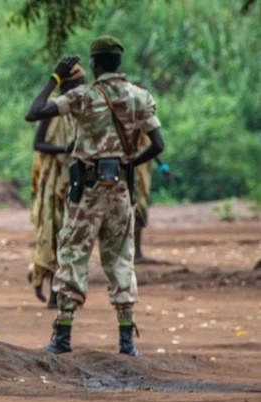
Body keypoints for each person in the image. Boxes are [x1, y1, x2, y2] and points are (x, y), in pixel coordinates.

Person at [25, 35, 164, 357]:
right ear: (118, 63)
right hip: (120, 191)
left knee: (73, 255)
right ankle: (127, 340)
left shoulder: (83, 96)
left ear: (94, 64)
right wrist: (129, 163)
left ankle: (62, 337)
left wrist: (55, 77)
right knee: (121, 259)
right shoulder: (140, 97)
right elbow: (158, 145)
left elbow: (35, 113)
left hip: (86, 191)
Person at [27, 63, 87, 309]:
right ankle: (53, 290)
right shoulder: (54, 107)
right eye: (79, 84)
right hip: (54, 182)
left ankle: (54, 284)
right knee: (54, 231)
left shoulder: (83, 108)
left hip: (74, 180)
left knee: (69, 234)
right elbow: (38, 143)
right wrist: (64, 150)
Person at [131, 82, 172, 263]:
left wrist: (162, 166)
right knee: (134, 208)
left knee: (140, 207)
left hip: (141, 169)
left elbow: (152, 145)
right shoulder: (127, 115)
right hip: (132, 167)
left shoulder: (143, 115)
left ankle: (136, 251)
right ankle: (134, 252)